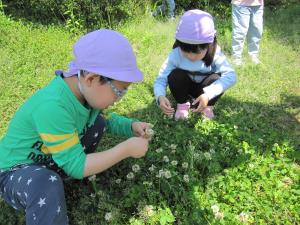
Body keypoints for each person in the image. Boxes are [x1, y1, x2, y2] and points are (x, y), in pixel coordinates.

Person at [0, 29, 151, 225]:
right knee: (46, 184)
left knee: (98, 123)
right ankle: (55, 185)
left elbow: (107, 120)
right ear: (91, 79)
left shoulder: (85, 94)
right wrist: (126, 149)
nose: (118, 99)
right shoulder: (53, 106)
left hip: (50, 161)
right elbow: (76, 166)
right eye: (118, 92)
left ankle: (63, 177)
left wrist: (130, 126)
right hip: (15, 171)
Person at [153, 9, 237, 120]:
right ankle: (182, 105)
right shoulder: (176, 53)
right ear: (179, 44)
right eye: (185, 51)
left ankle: (207, 107)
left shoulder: (215, 53)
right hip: (185, 87)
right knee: (175, 75)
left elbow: (231, 75)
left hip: (205, 89)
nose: (191, 56)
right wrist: (160, 96)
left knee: (216, 78)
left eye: (197, 52)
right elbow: (161, 78)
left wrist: (208, 94)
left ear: (209, 44)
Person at [231, 0, 264, 65]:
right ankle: (236, 58)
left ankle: (253, 55)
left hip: (258, 4)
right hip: (240, 4)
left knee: (257, 31)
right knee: (240, 32)